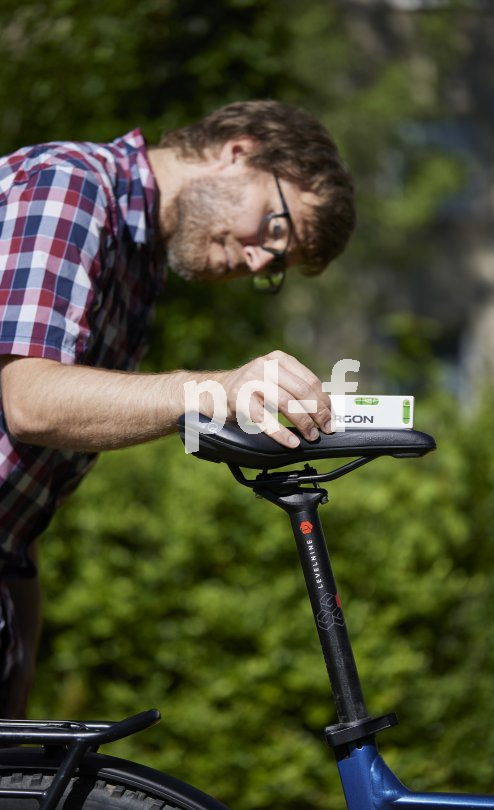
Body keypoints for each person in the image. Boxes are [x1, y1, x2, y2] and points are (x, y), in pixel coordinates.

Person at [0, 99, 356, 717]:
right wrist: (214, 390)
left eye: (275, 265)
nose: (257, 261)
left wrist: (22, 660)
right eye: (275, 230)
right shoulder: (73, 184)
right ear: (238, 151)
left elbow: (20, 509)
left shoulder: (138, 274)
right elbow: (30, 401)